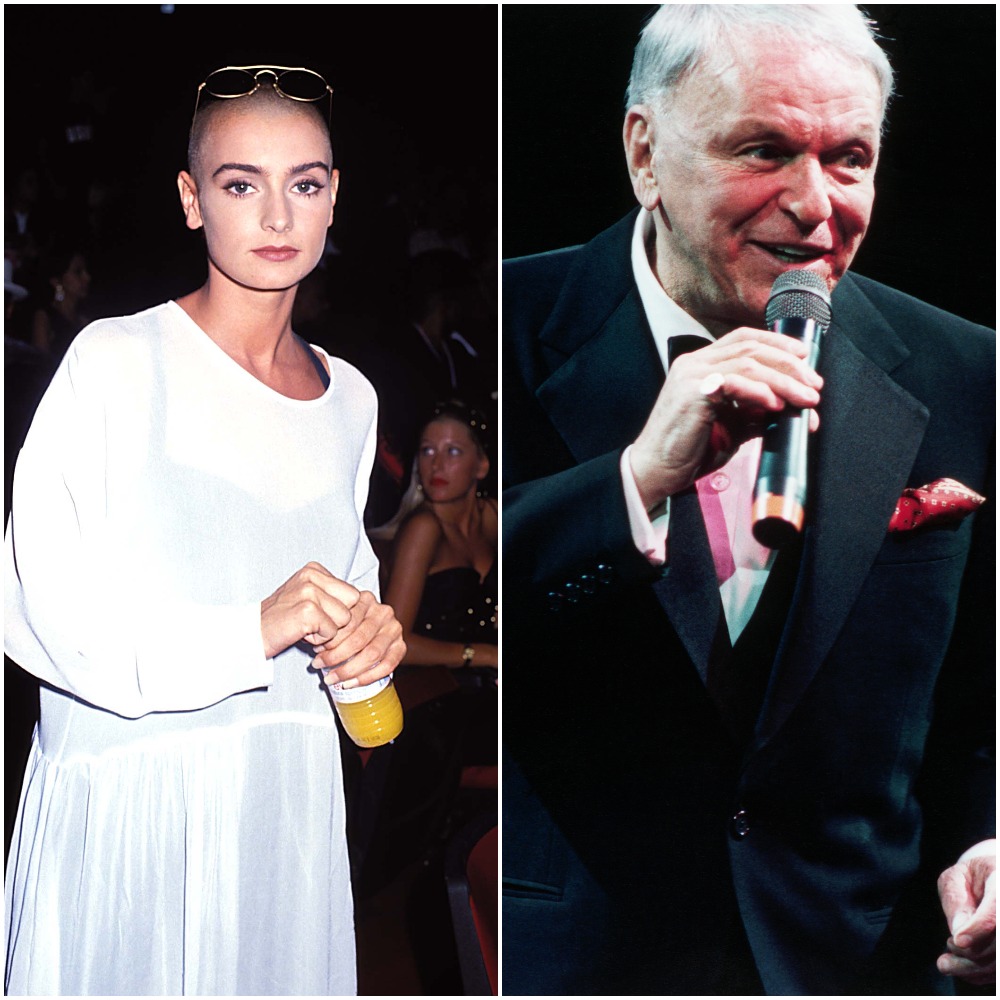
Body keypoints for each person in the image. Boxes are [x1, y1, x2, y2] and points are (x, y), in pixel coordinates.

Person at [501, 6, 994, 996]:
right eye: (764, 149)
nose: (814, 203)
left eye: (848, 157)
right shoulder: (505, 322)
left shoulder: (967, 372)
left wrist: (987, 830)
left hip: (866, 965)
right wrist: (632, 480)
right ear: (643, 151)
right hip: (588, 963)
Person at [4, 66, 405, 996]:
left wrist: (370, 645)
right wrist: (250, 627)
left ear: (333, 198)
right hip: (133, 810)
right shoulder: (117, 361)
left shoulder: (353, 399)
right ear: (192, 200)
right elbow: (36, 611)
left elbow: (344, 603)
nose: (276, 217)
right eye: (240, 184)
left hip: (281, 812)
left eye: (304, 184)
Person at [30, 245, 92, 359]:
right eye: (78, 272)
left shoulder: (84, 322)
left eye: (85, 271)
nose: (87, 277)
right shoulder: (44, 317)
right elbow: (40, 364)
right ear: (57, 281)